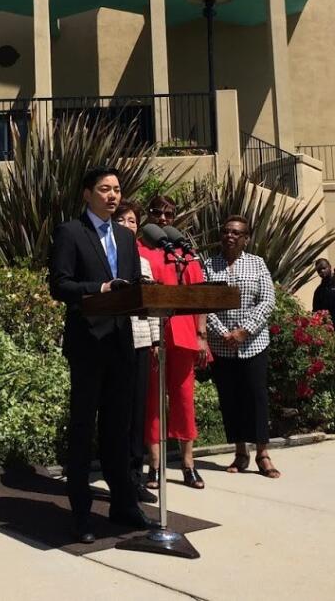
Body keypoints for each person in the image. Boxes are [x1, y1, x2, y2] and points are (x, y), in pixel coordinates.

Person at [49, 166, 155, 544]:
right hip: (88, 343)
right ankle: (80, 511)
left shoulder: (127, 238)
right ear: (87, 194)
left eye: (117, 190)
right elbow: (60, 284)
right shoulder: (70, 232)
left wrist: (143, 295)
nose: (112, 196)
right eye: (105, 189)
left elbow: (132, 289)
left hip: (121, 342)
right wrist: (101, 287)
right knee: (83, 427)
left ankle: (123, 504)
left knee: (119, 427)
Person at [202, 215, 280, 479]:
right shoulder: (209, 265)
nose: (230, 236)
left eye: (236, 233)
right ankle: (240, 451)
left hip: (253, 343)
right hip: (222, 345)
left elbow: (267, 300)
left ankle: (262, 453)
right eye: (226, 231)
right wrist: (225, 333)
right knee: (230, 399)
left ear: (246, 238)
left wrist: (244, 330)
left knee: (256, 397)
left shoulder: (257, 264)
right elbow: (203, 303)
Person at [141, 196, 209, 490]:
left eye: (169, 213)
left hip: (184, 333)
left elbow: (201, 296)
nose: (164, 218)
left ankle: (188, 464)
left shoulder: (185, 251)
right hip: (154, 332)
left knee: (184, 399)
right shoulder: (140, 249)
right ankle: (154, 466)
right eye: (157, 213)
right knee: (153, 400)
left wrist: (202, 335)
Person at [112, 200, 159, 504]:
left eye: (133, 221)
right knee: (118, 413)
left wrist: (155, 340)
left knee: (138, 413)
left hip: (141, 341)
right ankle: (117, 476)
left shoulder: (144, 261)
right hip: (115, 342)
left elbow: (152, 303)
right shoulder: (108, 256)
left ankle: (134, 476)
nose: (129, 225)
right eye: (123, 220)